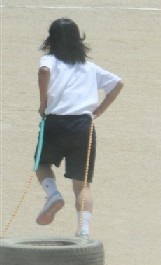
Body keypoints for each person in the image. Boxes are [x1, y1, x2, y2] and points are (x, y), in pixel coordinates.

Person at [34, 18, 124, 239]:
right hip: (83, 126)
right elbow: (118, 83)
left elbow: (43, 72)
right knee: (82, 184)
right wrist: (100, 109)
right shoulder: (89, 67)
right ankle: (83, 230)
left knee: (42, 163)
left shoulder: (50, 59)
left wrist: (43, 103)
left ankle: (53, 195)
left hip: (55, 121)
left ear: (51, 39)